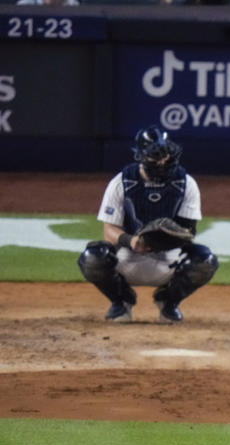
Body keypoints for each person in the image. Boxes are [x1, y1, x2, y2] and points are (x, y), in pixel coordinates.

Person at [77, 126, 219, 324]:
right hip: (127, 257)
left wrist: (164, 240)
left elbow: (189, 232)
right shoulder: (122, 182)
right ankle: (121, 301)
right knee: (93, 257)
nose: (162, 163)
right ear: (140, 156)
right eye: (155, 158)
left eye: (166, 157)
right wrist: (131, 240)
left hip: (168, 259)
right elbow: (109, 231)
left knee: (206, 260)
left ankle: (169, 302)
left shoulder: (186, 183)